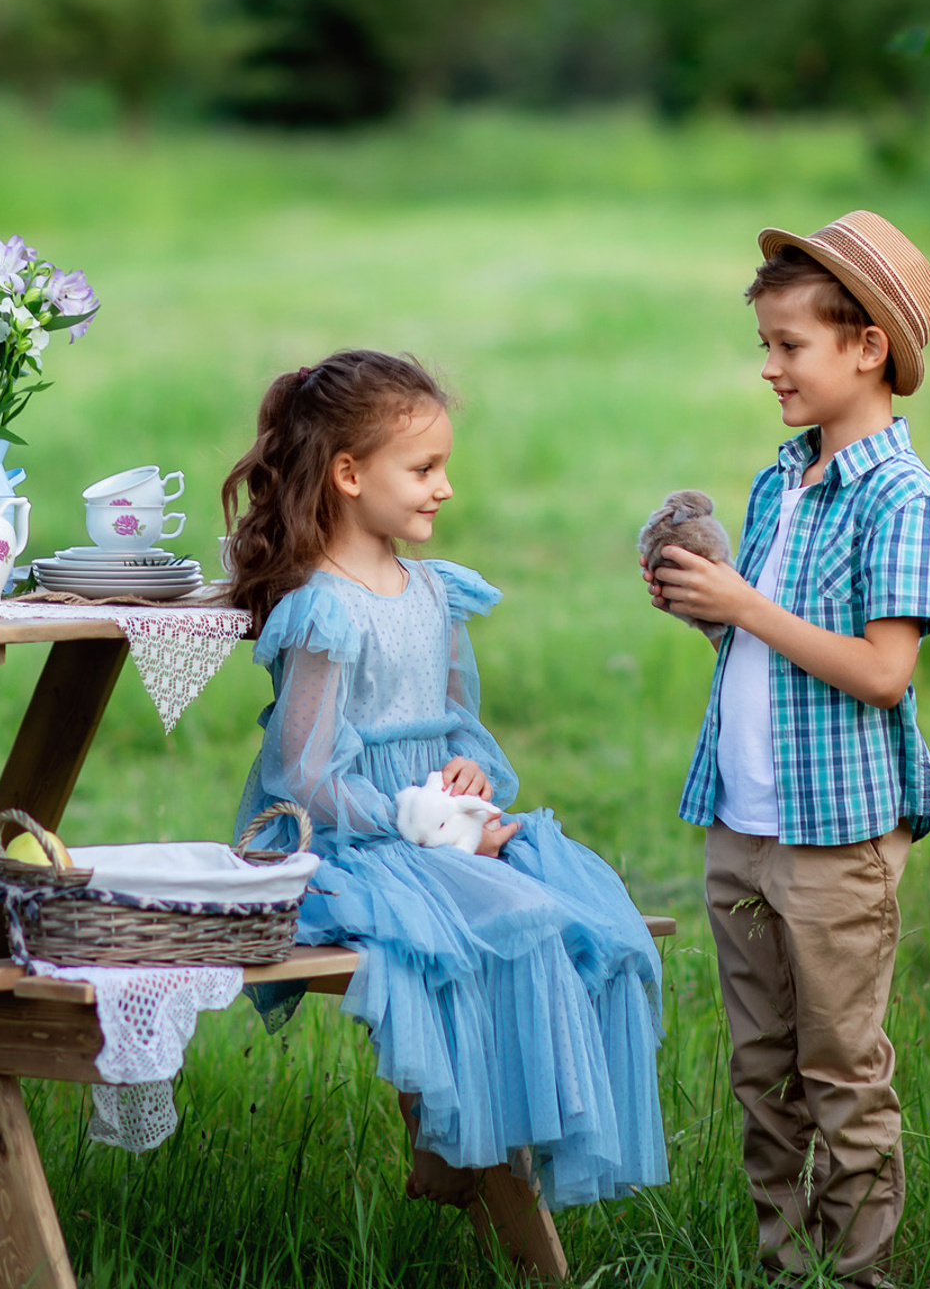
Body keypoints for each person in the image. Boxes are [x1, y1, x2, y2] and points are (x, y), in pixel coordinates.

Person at [223, 349, 668, 1217]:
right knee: (511, 920)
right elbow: (304, 772)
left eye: (443, 468)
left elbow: (464, 730)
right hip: (353, 837)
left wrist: (474, 782)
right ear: (348, 474)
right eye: (424, 469)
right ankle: (454, 1144)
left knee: (595, 921)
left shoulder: (434, 593)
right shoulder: (324, 607)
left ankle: (501, 1143)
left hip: (440, 822)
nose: (444, 488)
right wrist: (423, 820)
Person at [646, 212, 930, 1285]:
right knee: (760, 1069)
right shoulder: (782, 479)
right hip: (743, 821)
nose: (769, 369)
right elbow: (775, 638)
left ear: (868, 349)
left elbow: (881, 671)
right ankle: (783, 1260)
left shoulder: (903, 499)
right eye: (766, 346)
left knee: (840, 1070)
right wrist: (711, 607)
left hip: (834, 840)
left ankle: (855, 1270)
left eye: (791, 347)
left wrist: (748, 604)